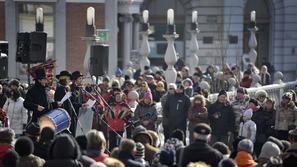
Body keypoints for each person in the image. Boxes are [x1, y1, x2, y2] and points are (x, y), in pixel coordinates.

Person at [54, 70, 75, 134]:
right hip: (63, 115)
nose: (69, 81)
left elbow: (72, 100)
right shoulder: (60, 88)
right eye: (68, 79)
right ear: (65, 79)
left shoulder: (66, 88)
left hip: (68, 113)